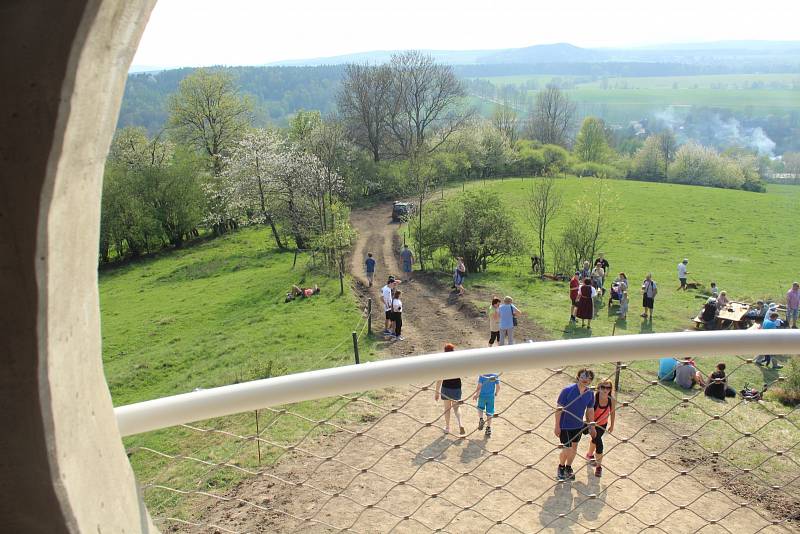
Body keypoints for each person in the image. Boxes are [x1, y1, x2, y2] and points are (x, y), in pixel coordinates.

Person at [554, 369, 597, 481]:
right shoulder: (567, 390)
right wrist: (557, 426)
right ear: (578, 377)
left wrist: (592, 426)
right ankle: (561, 467)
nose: (585, 380)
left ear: (591, 380)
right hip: (565, 425)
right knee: (567, 449)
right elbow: (558, 409)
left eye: (588, 378)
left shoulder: (590, 393)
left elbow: (590, 410)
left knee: (574, 449)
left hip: (578, 425)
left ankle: (568, 468)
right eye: (583, 377)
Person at [585, 379, 616, 478]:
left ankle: (589, 455)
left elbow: (613, 412)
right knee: (599, 443)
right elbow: (588, 412)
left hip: (602, 425)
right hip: (593, 424)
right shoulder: (594, 398)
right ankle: (599, 467)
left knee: (595, 440)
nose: (605, 390)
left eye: (608, 388)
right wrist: (590, 425)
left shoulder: (611, 400)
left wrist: (612, 425)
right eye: (603, 387)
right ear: (599, 388)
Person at [435, 343, 465, 436]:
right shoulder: (458, 362)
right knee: (456, 407)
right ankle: (460, 423)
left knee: (447, 409)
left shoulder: (442, 363)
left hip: (446, 387)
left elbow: (439, 379)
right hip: (456, 387)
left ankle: (447, 428)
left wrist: (437, 392)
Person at [472, 372, 500, 437]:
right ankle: (488, 428)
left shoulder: (482, 375)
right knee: (489, 412)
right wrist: (496, 393)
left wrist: (476, 395)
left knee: (480, 408)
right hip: (491, 397)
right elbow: (498, 387)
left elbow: (479, 387)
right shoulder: (494, 376)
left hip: (482, 396)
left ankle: (481, 419)